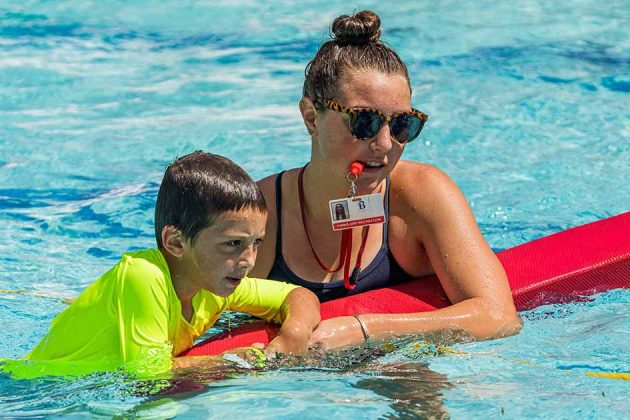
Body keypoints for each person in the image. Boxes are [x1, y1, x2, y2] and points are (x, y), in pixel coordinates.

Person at [250, 10, 522, 349]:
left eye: (402, 125)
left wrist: (365, 329)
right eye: (364, 122)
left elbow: (499, 317)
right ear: (311, 118)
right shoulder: (259, 214)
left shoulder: (420, 195)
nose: (384, 144)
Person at [2, 151, 320, 378]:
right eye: (233, 244)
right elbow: (149, 377)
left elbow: (295, 296)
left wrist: (295, 331)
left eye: (256, 243)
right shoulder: (143, 276)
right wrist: (239, 360)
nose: (249, 260)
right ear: (177, 243)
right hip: (33, 389)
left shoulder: (214, 282)